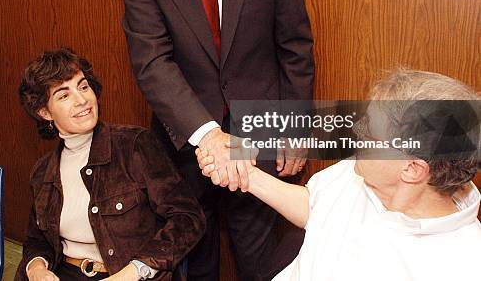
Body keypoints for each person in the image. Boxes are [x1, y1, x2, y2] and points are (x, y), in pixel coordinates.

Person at [117, 0, 314, 279]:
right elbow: (152, 61)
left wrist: (298, 126)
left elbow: (295, 46)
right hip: (189, 148)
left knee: (261, 261)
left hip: (261, 138)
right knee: (195, 261)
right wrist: (208, 135)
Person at [197, 68, 481, 280]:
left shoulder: (462, 265)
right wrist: (242, 170)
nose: (356, 134)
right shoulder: (360, 172)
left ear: (411, 169)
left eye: (370, 132)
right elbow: (316, 206)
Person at [15, 48, 205, 281]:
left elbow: (188, 218)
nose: (82, 100)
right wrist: (36, 268)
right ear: (44, 112)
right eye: (64, 95)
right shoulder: (43, 171)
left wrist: (135, 271)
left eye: (83, 87)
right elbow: (37, 239)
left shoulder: (134, 145)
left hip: (129, 274)